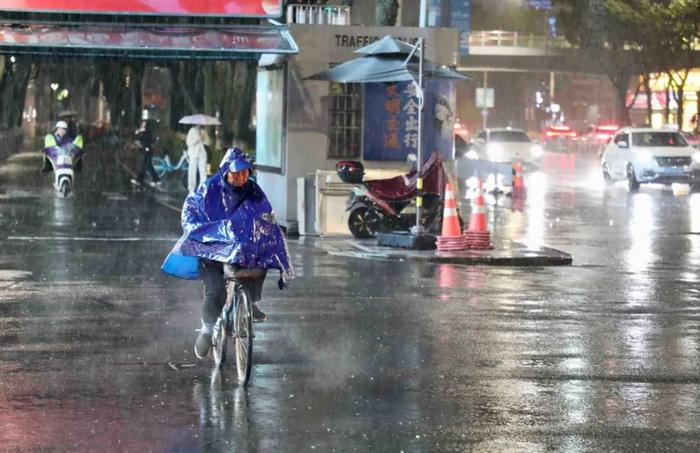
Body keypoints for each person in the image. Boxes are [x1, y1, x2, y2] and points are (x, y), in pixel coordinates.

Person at [163, 148, 294, 360]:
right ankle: (206, 329)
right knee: (215, 291)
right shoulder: (209, 189)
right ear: (226, 172)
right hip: (213, 251)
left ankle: (251, 301)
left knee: (262, 262)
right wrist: (205, 231)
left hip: (241, 249)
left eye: (245, 173)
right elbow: (190, 211)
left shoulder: (254, 191)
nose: (242, 177)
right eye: (237, 173)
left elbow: (265, 216)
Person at [131, 119, 161, 187]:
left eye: (144, 123)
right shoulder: (141, 131)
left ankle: (139, 180)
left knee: (144, 166)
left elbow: (148, 141)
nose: (143, 124)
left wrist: (143, 144)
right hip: (144, 150)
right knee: (148, 166)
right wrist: (137, 132)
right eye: (142, 123)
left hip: (147, 150)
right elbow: (136, 138)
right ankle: (156, 180)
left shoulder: (147, 132)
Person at [186, 124, 208, 192]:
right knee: (192, 171)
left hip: (202, 154)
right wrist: (196, 141)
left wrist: (204, 139)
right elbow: (188, 143)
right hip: (193, 153)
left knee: (203, 171)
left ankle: (203, 188)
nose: (199, 125)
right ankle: (191, 188)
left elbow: (208, 142)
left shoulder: (203, 131)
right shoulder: (191, 131)